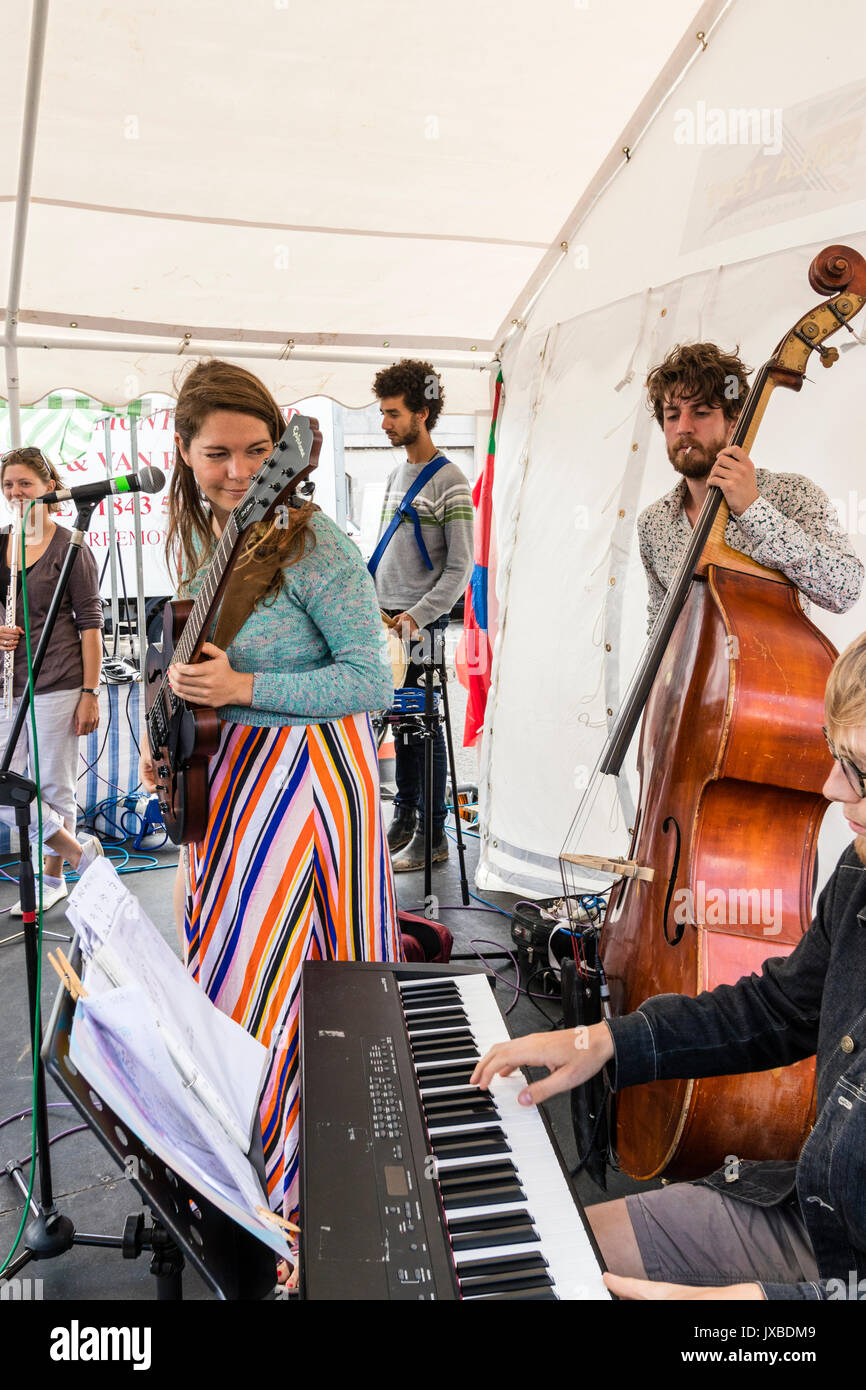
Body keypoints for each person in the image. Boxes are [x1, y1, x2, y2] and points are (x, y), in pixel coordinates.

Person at [472, 630, 866, 1301]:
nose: (830, 787)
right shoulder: (860, 873)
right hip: (818, 1220)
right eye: (836, 754)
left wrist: (767, 1308)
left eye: (859, 768)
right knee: (546, 1258)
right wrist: (604, 1039)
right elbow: (782, 1009)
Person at [139, 360, 401, 1223]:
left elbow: (370, 681)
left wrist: (243, 693)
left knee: (285, 986)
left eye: (257, 450)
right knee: (237, 983)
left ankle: (312, 1191)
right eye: (218, 452)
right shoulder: (213, 539)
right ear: (182, 452)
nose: (240, 470)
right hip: (235, 782)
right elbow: (194, 670)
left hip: (314, 786)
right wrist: (169, 742)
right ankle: (253, 1171)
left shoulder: (313, 541)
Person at [638, 342, 863, 632]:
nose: (683, 427)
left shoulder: (792, 493)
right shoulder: (652, 523)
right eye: (672, 415)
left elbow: (845, 590)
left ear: (735, 420)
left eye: (701, 412)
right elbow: (659, 624)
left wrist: (753, 510)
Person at [370, 359, 473, 872]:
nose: (384, 423)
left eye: (392, 413)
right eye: (383, 412)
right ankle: (405, 820)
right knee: (402, 725)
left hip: (419, 630)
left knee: (423, 729)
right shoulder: (395, 474)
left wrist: (415, 616)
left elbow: (461, 568)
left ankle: (432, 836)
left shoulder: (450, 481)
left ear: (423, 413)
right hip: (385, 627)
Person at [0, 447, 103, 913]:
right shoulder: (0, 542)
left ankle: (54, 877)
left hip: (59, 683)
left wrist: (90, 693)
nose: (15, 492)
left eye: (25, 483)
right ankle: (81, 855)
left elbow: (91, 624)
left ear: (49, 488)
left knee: (54, 786)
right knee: (8, 786)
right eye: (8, 485)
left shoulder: (71, 546)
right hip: (6, 688)